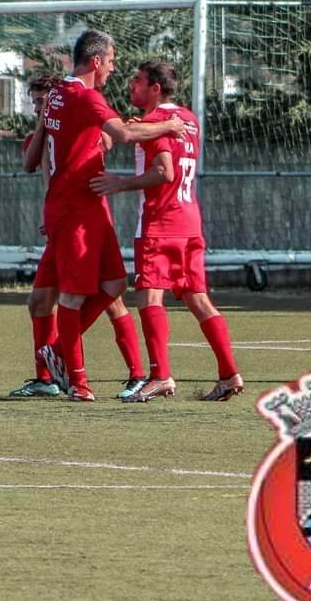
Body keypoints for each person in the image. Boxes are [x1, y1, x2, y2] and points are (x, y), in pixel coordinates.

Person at [26, 29, 185, 402]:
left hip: (87, 204)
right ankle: (78, 383)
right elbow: (123, 135)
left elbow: (87, 142)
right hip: (76, 208)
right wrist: (170, 125)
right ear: (96, 62)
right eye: (111, 62)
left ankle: (59, 353)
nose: (113, 69)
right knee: (72, 296)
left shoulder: (56, 96)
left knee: (114, 286)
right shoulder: (83, 95)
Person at [90, 59, 244, 402]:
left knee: (148, 297)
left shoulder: (157, 121)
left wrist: (120, 183)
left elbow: (165, 172)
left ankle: (160, 375)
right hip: (190, 223)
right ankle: (229, 373)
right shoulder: (188, 119)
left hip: (161, 224)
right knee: (198, 299)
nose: (132, 85)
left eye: (138, 80)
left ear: (155, 89)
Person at [12, 73, 147, 399]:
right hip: (61, 222)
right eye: (35, 103)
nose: (39, 107)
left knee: (111, 296)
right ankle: (47, 377)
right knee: (40, 301)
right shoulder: (39, 136)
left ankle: (136, 374)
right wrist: (44, 125)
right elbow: (34, 166)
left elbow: (110, 138)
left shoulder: (77, 119)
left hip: (83, 220)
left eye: (43, 101)